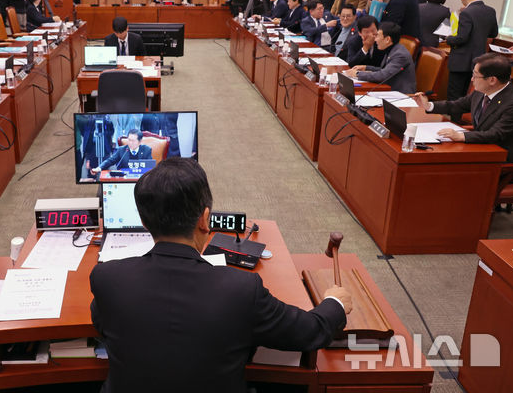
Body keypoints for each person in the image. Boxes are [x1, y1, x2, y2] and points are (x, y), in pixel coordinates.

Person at [90, 157, 351, 392]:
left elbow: (103, 324)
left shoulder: (107, 279)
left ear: (144, 221)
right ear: (205, 220)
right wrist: (335, 302)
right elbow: (308, 332)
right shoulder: (241, 289)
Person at [415, 53, 513, 160]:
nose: (472, 79)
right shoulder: (481, 91)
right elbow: (455, 106)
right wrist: (428, 106)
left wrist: (461, 136)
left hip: (500, 156)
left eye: (475, 75)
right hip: (479, 146)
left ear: (492, 80)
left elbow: (495, 134)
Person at [446, 0, 498, 100]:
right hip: (478, 60)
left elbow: (461, 38)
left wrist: (448, 39)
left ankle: (453, 119)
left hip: (460, 61)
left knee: (455, 96)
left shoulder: (466, 13)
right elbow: (493, 33)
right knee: (469, 96)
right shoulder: (490, 11)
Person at [345, 22, 416, 94]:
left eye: (378, 36)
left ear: (387, 39)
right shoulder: (392, 48)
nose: (375, 40)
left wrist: (357, 74)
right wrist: (366, 67)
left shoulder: (400, 55)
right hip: (389, 90)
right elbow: (385, 70)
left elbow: (382, 75)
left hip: (402, 95)